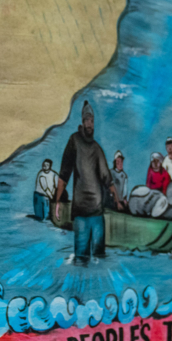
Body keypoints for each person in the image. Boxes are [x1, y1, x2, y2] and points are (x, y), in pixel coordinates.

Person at [55, 101, 123, 265]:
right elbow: (65, 172)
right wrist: (57, 200)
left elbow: (107, 177)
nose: (89, 124)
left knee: (100, 258)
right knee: (81, 260)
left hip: (97, 213)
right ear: (82, 122)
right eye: (87, 120)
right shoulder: (74, 141)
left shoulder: (97, 149)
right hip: (81, 213)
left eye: (92, 121)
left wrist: (117, 200)